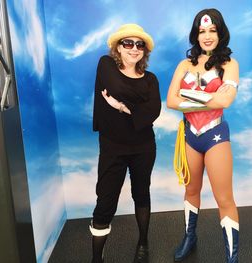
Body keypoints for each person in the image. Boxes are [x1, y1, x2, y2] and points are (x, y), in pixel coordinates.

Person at [167, 8, 239, 263]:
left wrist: (189, 96)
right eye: (202, 31)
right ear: (195, 35)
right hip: (190, 136)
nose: (207, 36)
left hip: (215, 134)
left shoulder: (229, 64)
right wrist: (210, 99)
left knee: (224, 197)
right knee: (191, 189)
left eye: (212, 30)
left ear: (220, 33)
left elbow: (227, 100)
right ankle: (190, 237)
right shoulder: (184, 64)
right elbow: (171, 101)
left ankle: (232, 257)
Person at [91, 23, 161, 263]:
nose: (134, 48)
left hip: (144, 147)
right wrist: (139, 105)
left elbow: (154, 111)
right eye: (128, 43)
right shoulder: (105, 64)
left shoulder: (151, 78)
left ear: (144, 50)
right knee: (105, 202)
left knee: (141, 194)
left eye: (139, 44)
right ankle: (96, 258)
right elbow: (118, 86)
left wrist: (122, 106)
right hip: (113, 147)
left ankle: (143, 242)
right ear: (118, 48)